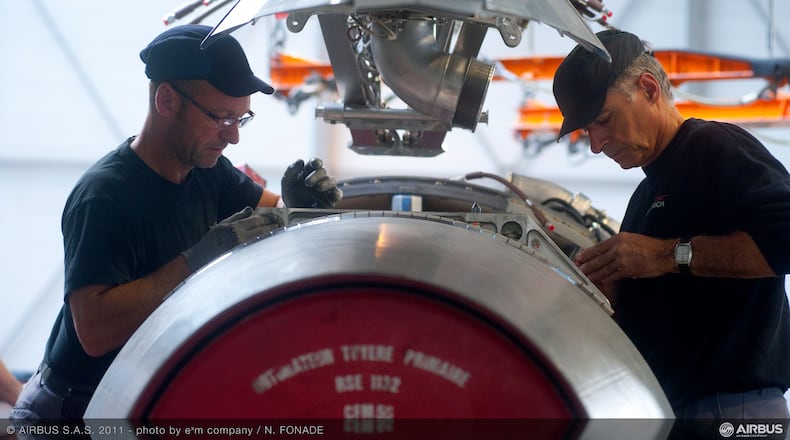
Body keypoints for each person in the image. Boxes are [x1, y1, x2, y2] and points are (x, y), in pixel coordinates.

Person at [11, 24, 342, 420]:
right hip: (73, 413)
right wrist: (194, 262)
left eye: (241, 119)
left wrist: (301, 207)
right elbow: (94, 333)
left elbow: (272, 222)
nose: (233, 137)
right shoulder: (105, 196)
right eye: (220, 117)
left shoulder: (208, 169)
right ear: (166, 100)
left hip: (143, 397)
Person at [553, 29, 790, 420]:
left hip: (731, 411)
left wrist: (667, 255)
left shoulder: (715, 148)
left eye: (604, 120)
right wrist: (610, 293)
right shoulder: (645, 198)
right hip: (674, 410)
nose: (596, 145)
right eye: (587, 131)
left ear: (648, 89)